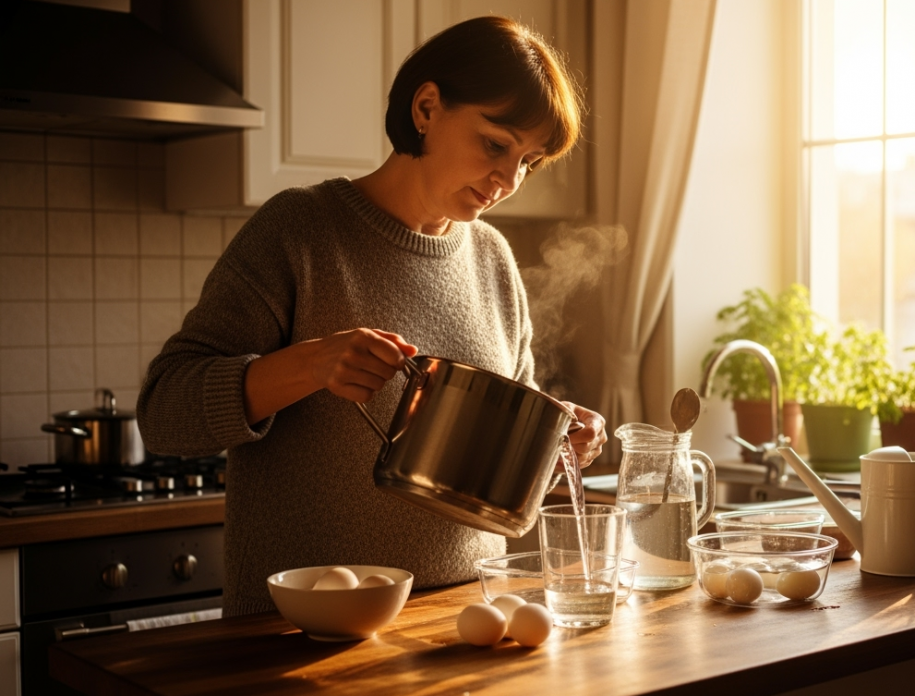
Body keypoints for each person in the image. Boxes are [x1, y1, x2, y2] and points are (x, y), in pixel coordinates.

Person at [137, 16, 605, 617]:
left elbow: (503, 433)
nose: (509, 179)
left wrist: (555, 436)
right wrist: (308, 365)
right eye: (496, 144)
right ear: (427, 108)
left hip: (467, 617)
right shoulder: (299, 230)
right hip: (302, 630)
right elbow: (163, 412)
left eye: (530, 162)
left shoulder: (493, 258)